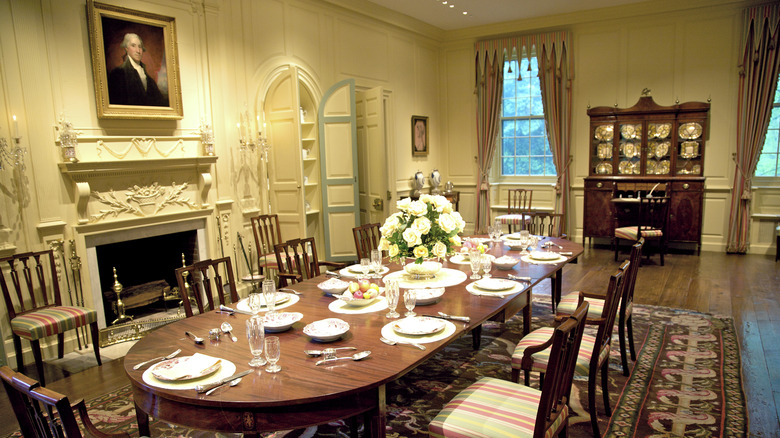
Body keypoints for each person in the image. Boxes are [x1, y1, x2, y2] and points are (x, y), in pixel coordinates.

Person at [107, 33, 167, 106]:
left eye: (140, 47)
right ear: (126, 48)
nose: (138, 51)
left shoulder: (149, 79)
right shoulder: (117, 74)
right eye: (133, 46)